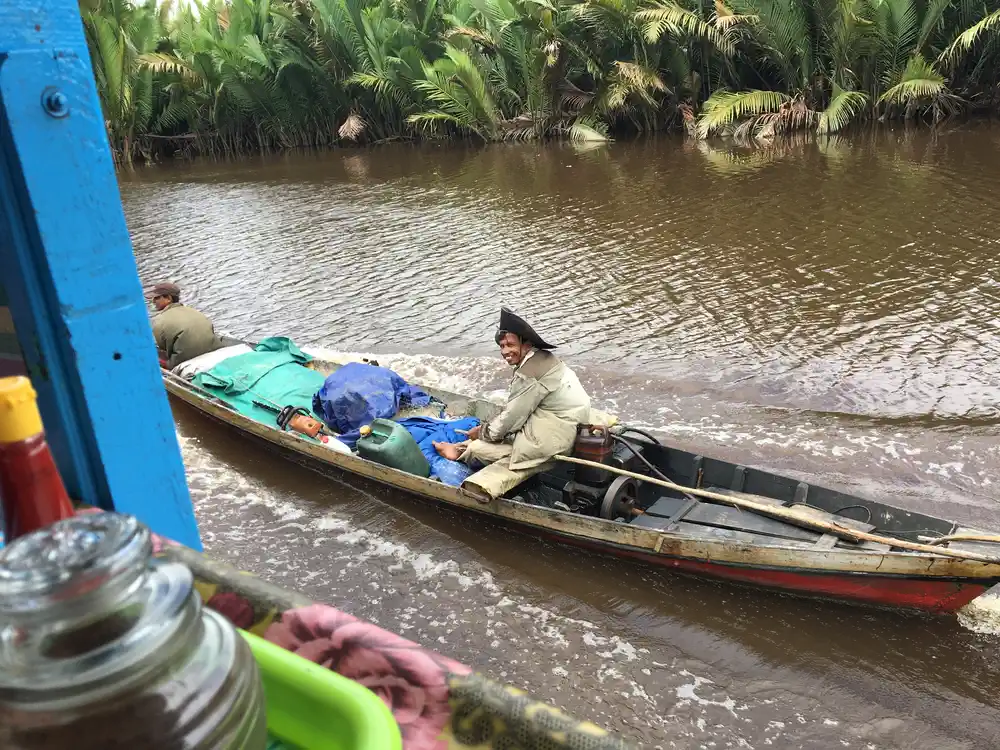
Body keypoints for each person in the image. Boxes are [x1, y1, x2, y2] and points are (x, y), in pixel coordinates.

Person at [433, 307, 591, 484]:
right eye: (502, 346)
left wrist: (483, 432)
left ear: (527, 345)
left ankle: (461, 452)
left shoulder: (528, 374)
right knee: (501, 431)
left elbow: (512, 417)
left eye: (510, 345)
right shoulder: (545, 358)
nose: (505, 351)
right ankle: (464, 446)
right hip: (571, 426)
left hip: (555, 441)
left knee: (479, 447)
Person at [148, 282, 223, 369]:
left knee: (153, 354)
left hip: (184, 362)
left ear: (168, 298)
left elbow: (163, 346)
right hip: (212, 352)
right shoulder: (195, 312)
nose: (153, 301)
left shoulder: (159, 320)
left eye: (156, 298)